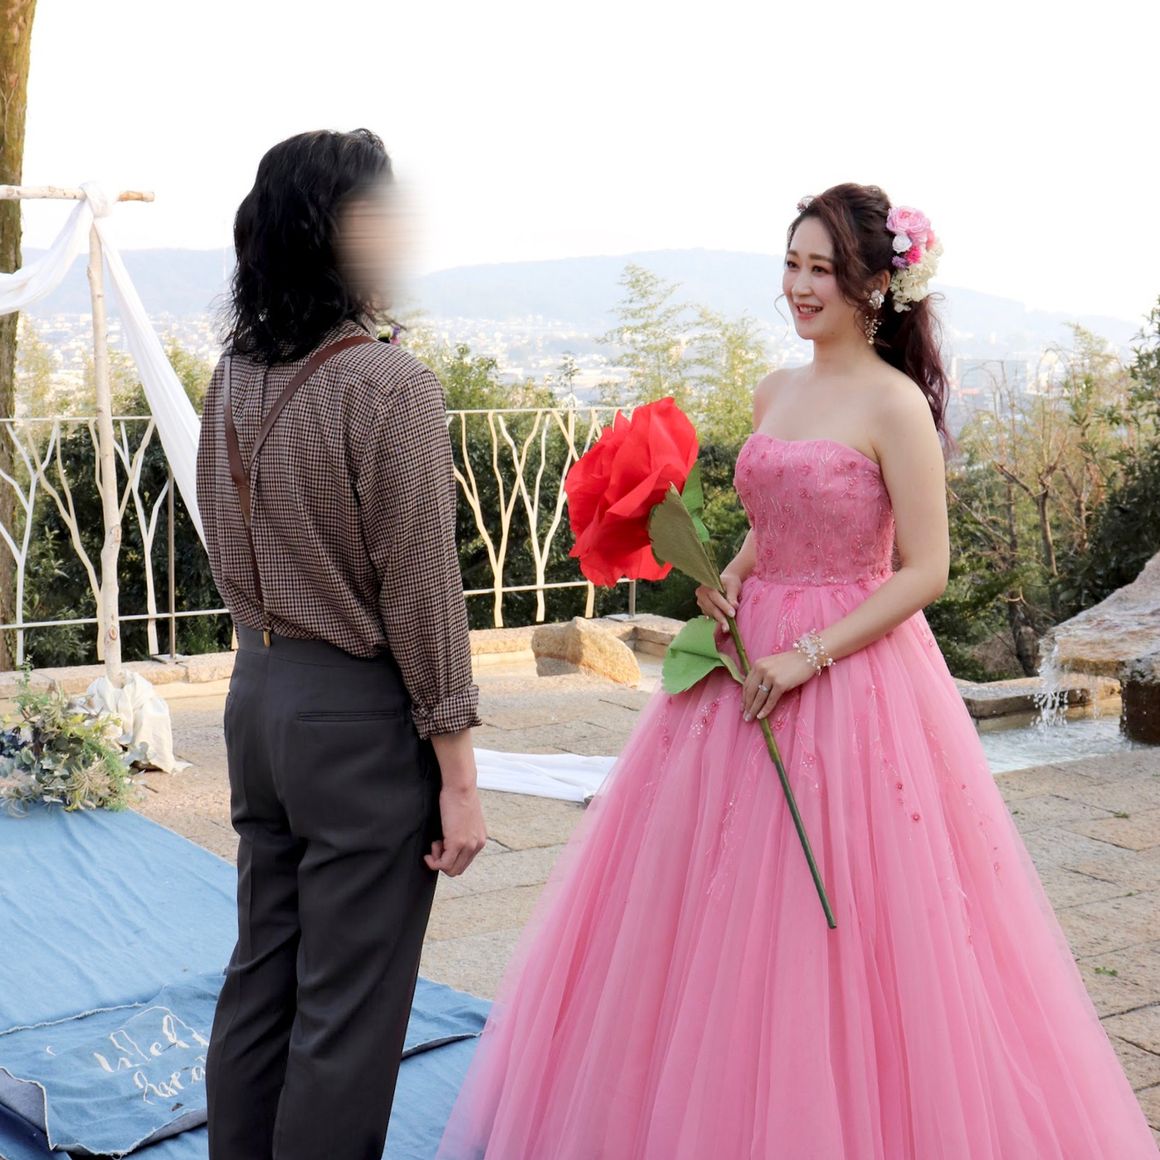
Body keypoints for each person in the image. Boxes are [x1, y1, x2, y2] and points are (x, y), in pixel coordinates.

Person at [436, 184, 1158, 1158]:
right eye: (792, 264)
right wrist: (729, 576)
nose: (802, 286)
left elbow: (924, 569)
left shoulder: (895, 404)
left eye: (825, 268)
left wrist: (808, 654)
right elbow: (770, 526)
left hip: (853, 673)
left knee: (841, 906)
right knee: (699, 895)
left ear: (874, 285)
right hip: (742, 665)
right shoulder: (774, 390)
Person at [196, 128, 488, 1160]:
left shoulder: (234, 372)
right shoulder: (387, 384)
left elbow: (221, 534)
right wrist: (459, 775)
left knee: (262, 975)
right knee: (347, 1010)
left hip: (257, 694)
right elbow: (423, 591)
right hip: (356, 720)